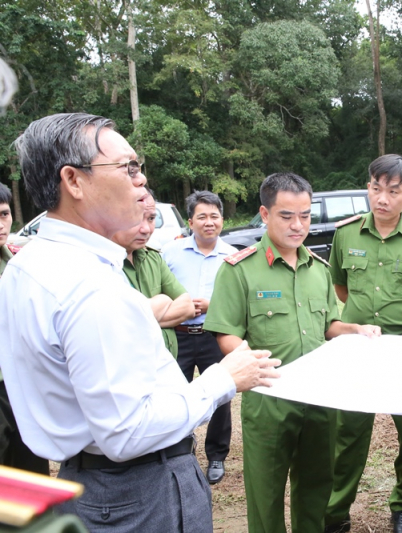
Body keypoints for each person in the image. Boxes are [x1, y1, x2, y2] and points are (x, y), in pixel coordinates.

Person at [0, 113, 280, 532]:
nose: (142, 180)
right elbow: (128, 433)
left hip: (95, 484)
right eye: (128, 167)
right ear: (73, 181)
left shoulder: (30, 266)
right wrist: (222, 379)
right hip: (140, 493)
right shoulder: (88, 284)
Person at [203, 172, 380, 533]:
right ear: (265, 215)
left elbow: (329, 324)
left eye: (305, 215)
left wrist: (355, 329)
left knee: (315, 487)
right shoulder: (240, 270)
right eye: (287, 216)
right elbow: (226, 335)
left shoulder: (319, 268)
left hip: (319, 397)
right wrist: (260, 366)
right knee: (265, 492)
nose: (298, 225)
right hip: (270, 399)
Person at [325, 154, 402, 533]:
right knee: (349, 432)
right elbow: (340, 286)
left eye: (393, 191)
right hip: (359, 348)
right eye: (376, 188)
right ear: (368, 188)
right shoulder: (345, 234)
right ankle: (337, 510)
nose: (383, 198)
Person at [161, 190, 237, 484]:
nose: (209, 222)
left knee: (220, 394)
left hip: (212, 335)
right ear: (190, 221)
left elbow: (236, 300)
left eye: (214, 216)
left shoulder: (232, 257)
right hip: (177, 335)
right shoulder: (170, 253)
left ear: (222, 220)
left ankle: (216, 455)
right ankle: (179, 448)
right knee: (172, 392)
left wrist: (209, 305)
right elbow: (159, 289)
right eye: (202, 216)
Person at [0, 182, 50, 476]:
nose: (0, 224)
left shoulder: (17, 262)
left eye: (4, 215)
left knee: (31, 464)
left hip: (20, 382)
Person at [111, 191, 195, 359]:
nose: (146, 229)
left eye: (151, 219)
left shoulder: (153, 258)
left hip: (167, 365)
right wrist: (162, 301)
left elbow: (187, 307)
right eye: (137, 218)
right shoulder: (104, 265)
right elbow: (115, 324)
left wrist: (139, 319)